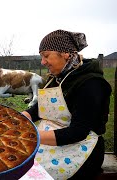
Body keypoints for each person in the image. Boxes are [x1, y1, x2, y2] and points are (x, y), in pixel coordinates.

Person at [22, 29, 112, 179]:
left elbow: (78, 132)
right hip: (49, 138)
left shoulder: (90, 83)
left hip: (80, 148)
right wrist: (21, 117)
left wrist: (31, 136)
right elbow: (41, 108)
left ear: (65, 53)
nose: (43, 62)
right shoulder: (56, 77)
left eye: (46, 56)